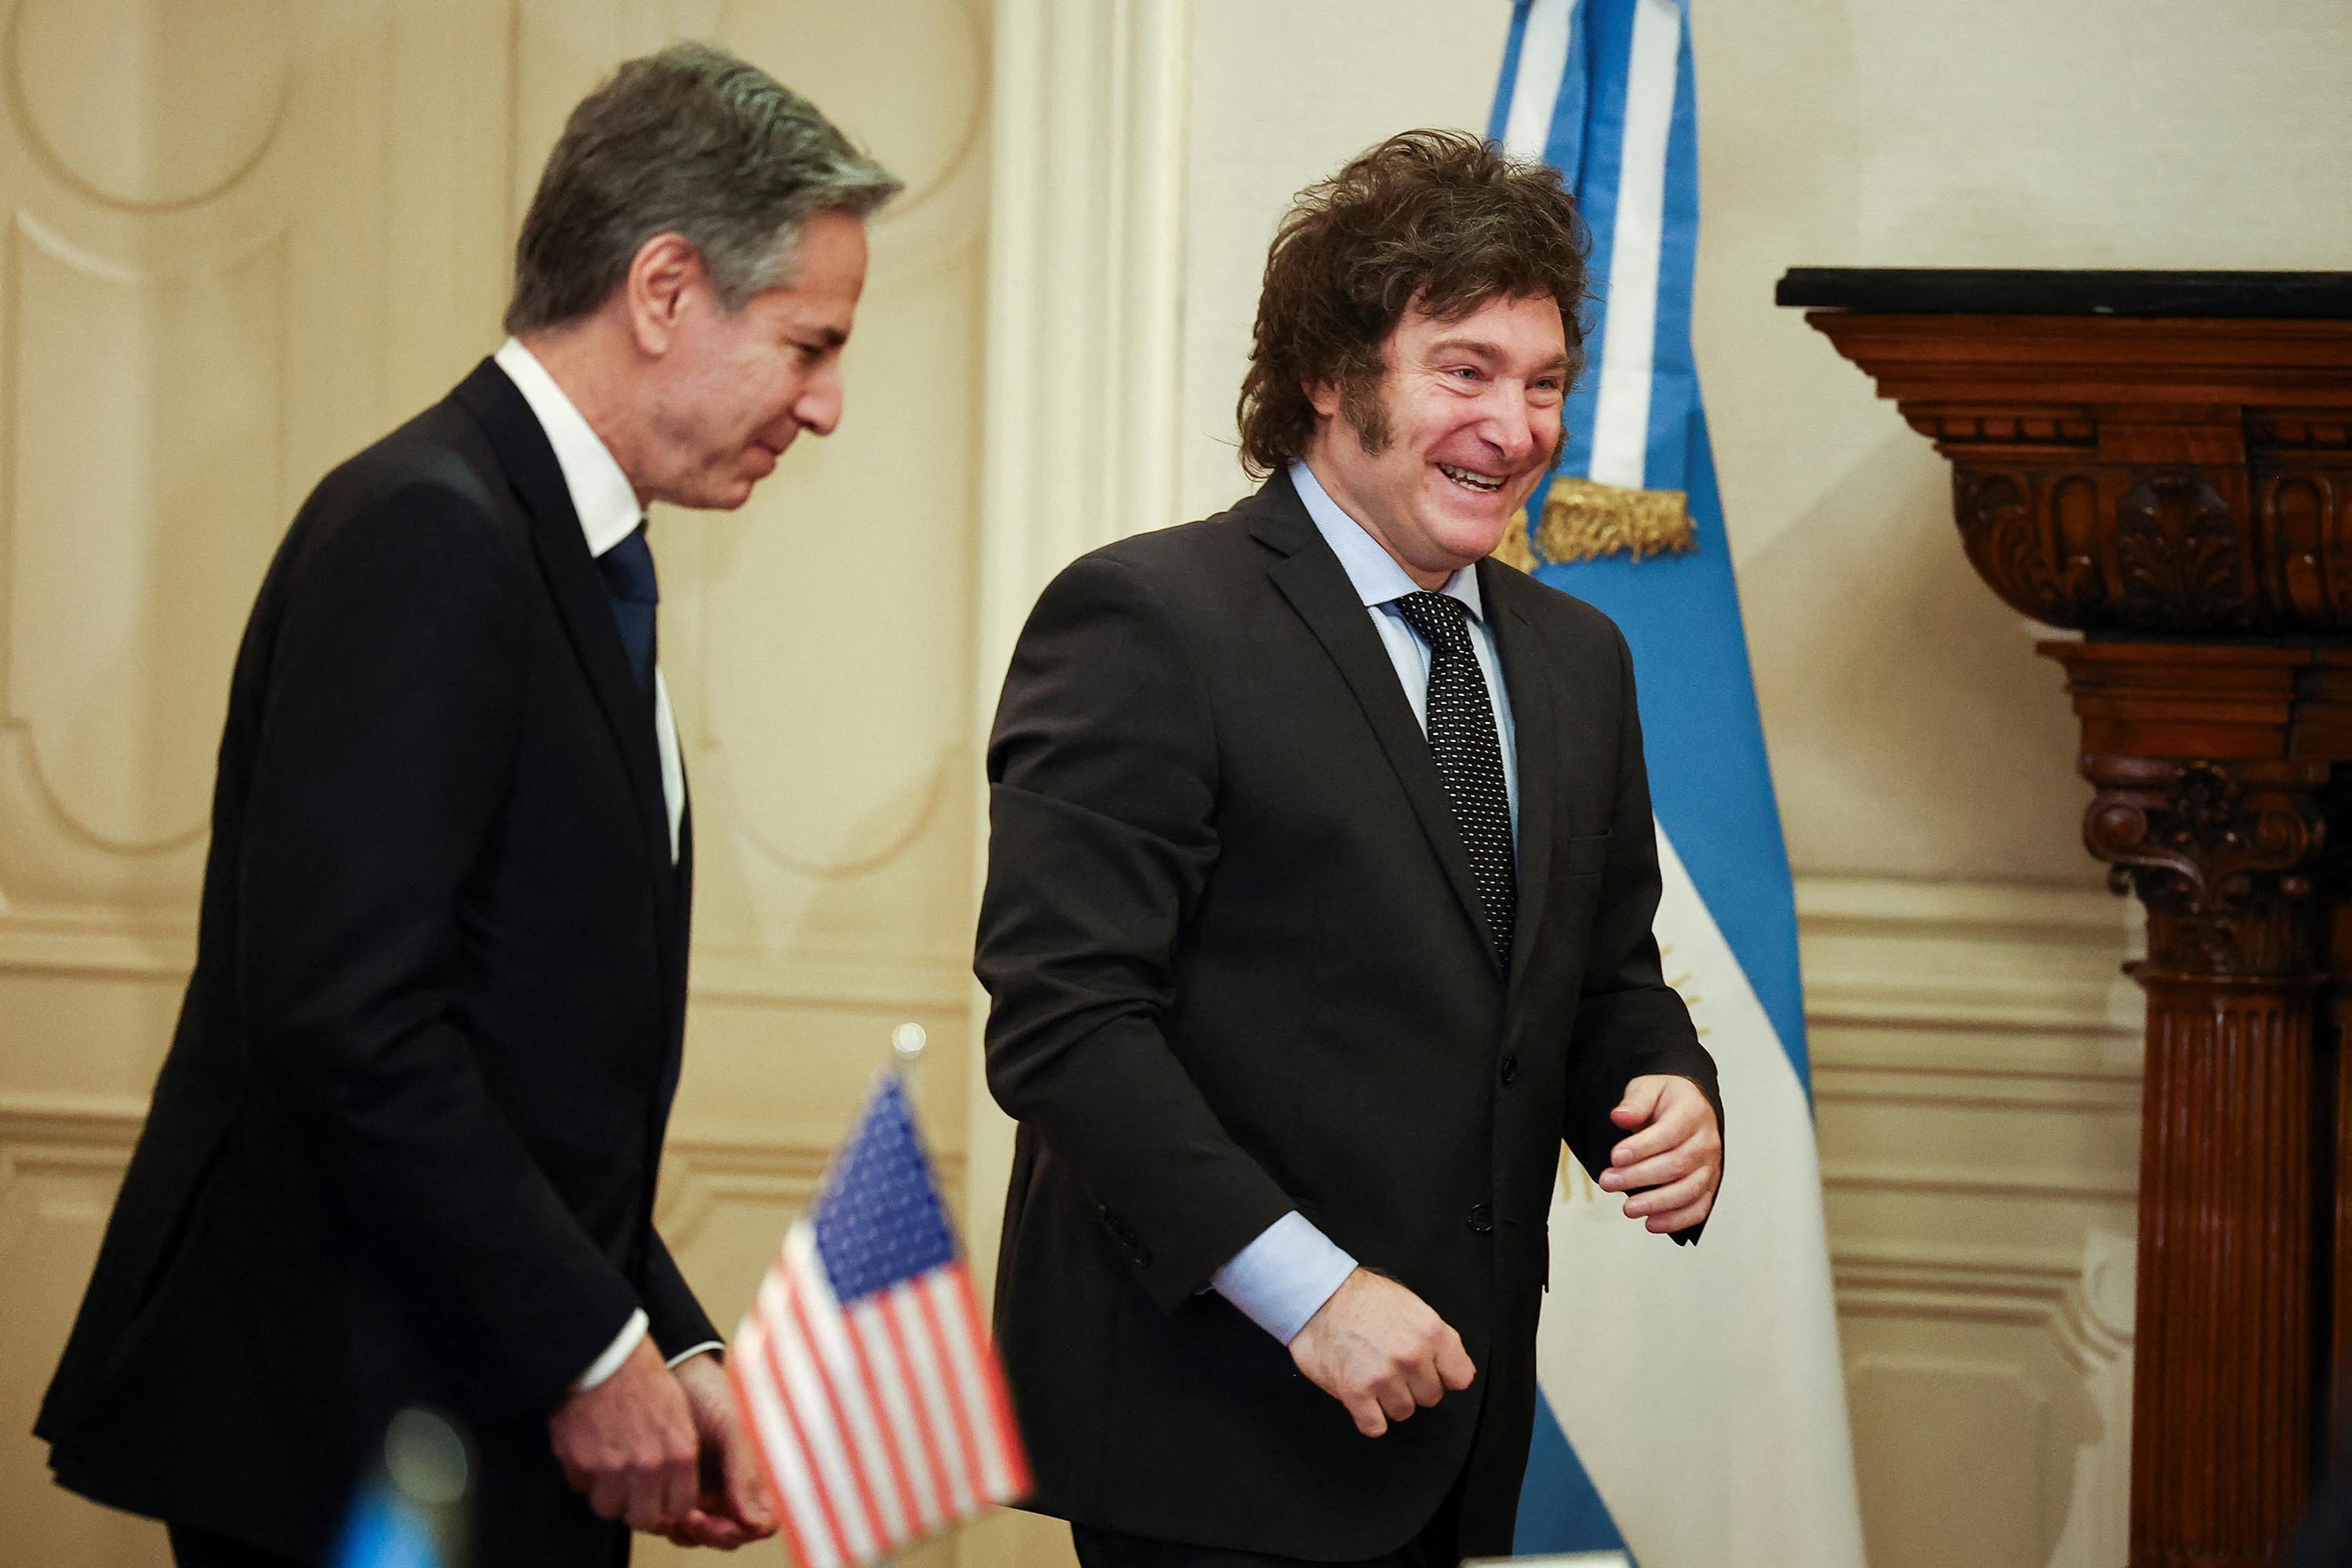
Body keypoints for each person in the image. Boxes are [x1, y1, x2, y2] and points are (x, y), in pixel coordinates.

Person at [34, 43, 898, 1568]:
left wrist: (664, 1342)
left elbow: (528, 1070)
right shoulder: (430, 535)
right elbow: (351, 1022)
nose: (826, 406)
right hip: (355, 1440)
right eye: (808, 344)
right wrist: (591, 1350)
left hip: (461, 1404)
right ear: (664, 289)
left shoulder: (554, 542)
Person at [975, 130, 1726, 1566]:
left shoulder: (1579, 659)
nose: (1516, 427)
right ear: (1329, 375)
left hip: (1456, 1431)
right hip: (1215, 1434)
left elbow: (1599, 978)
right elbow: (1066, 1023)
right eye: (1466, 371)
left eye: (1544, 382)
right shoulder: (1149, 620)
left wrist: (1664, 1088)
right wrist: (1309, 1294)